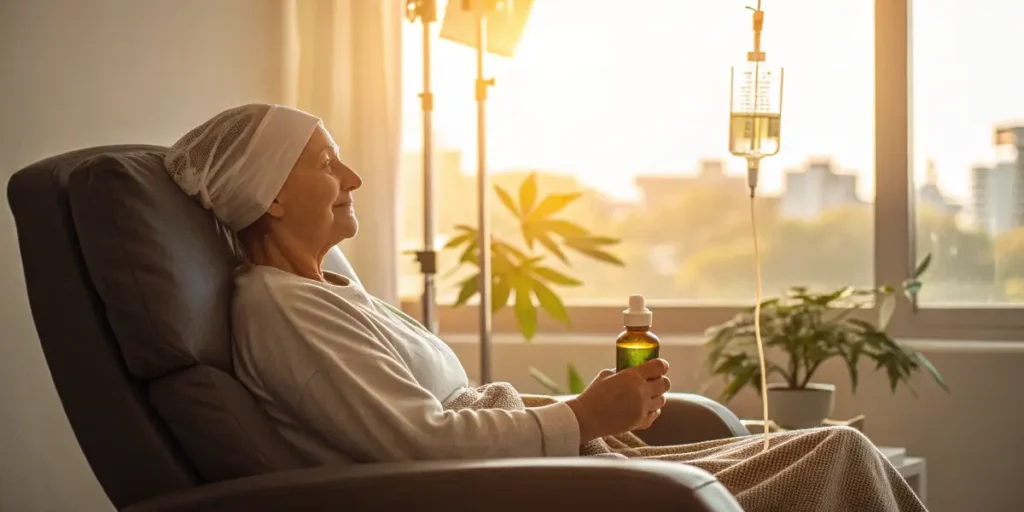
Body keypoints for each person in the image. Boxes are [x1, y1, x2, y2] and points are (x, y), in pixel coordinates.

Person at [164, 103, 928, 512]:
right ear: (268, 196)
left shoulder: (328, 290)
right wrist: (583, 419)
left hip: (553, 466)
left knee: (837, 452)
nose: (355, 177)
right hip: (523, 494)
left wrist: (591, 413)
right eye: (328, 163)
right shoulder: (283, 311)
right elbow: (417, 443)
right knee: (838, 456)